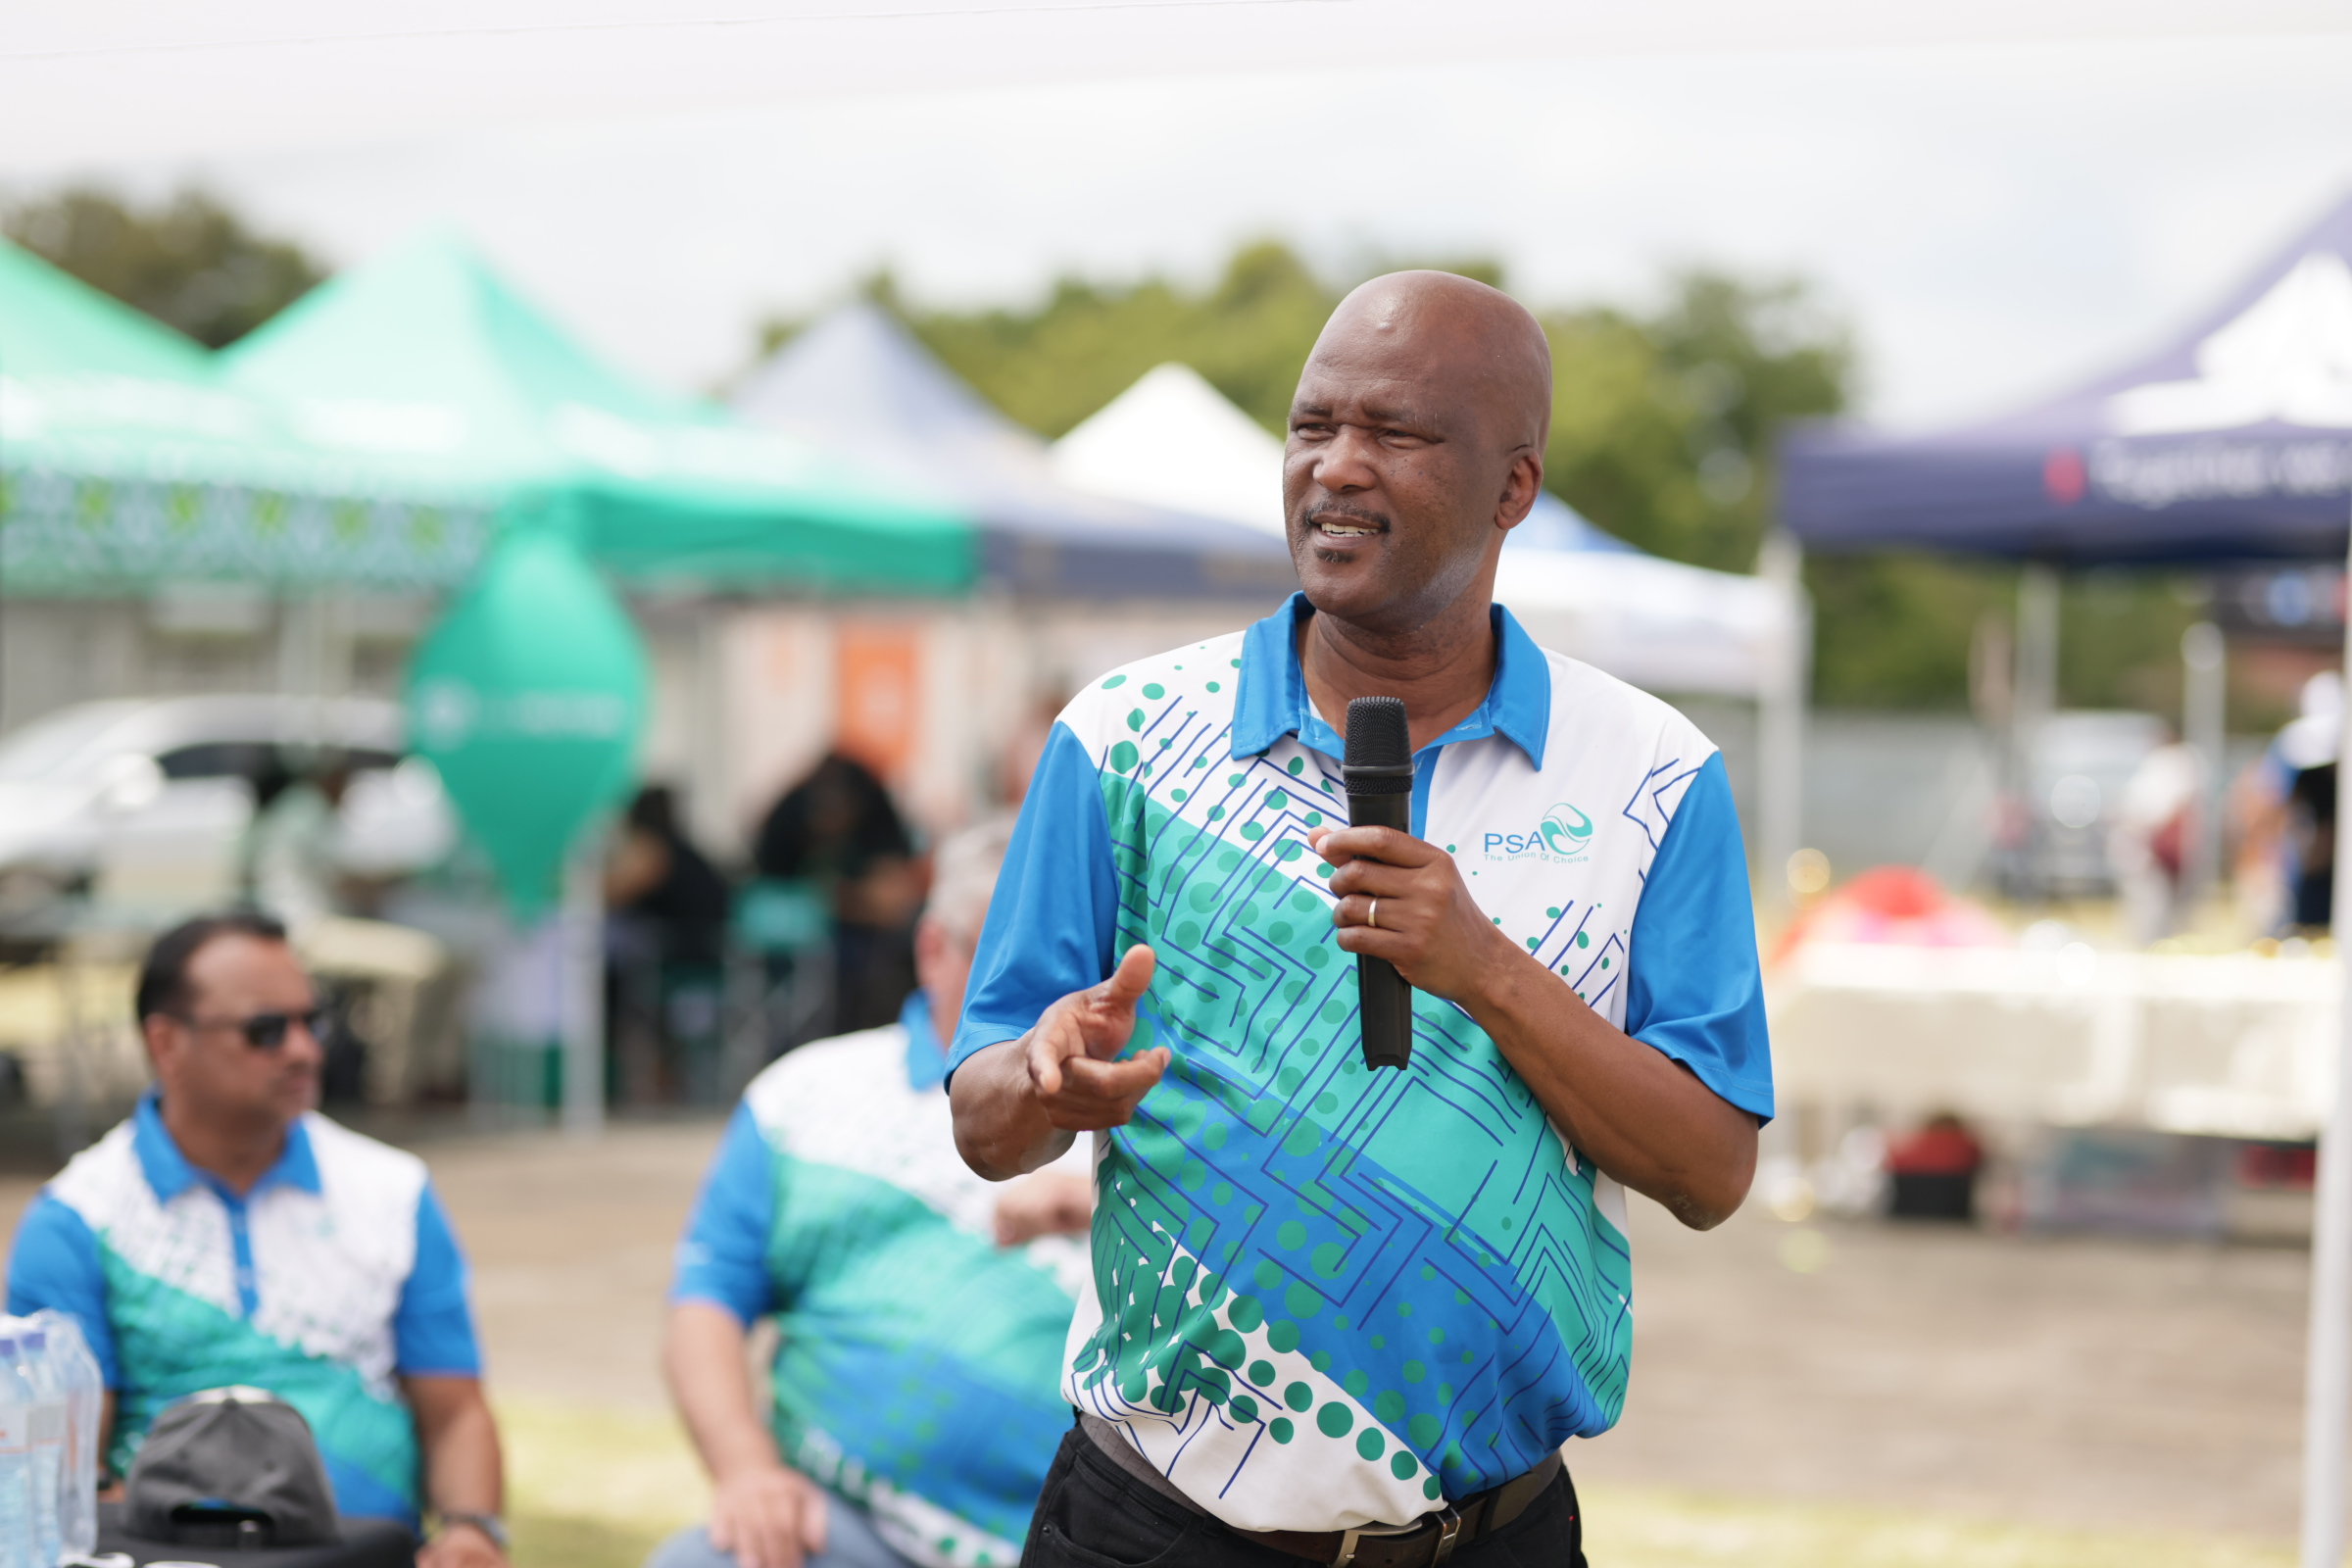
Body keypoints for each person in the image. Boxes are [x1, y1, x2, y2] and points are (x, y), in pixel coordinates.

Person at [948, 271, 1771, 1566]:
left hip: (1490, 1535)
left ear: (1512, 488)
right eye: (1312, 425)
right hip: (1157, 1530)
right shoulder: (1122, 738)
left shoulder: (1652, 775)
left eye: (1394, 432)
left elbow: (1711, 1173)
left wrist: (1484, 969)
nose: (1335, 466)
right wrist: (1044, 1080)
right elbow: (984, 1116)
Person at [651, 819, 1094, 1568]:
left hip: (1072, 1542)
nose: (1045, 996)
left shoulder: (1146, 1118)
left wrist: (1091, 1205)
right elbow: (705, 1302)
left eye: (1069, 964)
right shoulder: (807, 1097)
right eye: (1004, 957)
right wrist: (747, 1471)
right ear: (933, 949)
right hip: (843, 1527)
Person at [5, 911, 509, 1568]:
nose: (303, 1050)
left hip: (371, 1555)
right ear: (166, 1043)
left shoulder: (391, 1192)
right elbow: (67, 1468)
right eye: (265, 1030)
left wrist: (471, 1530)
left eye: (313, 1021)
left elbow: (456, 1411)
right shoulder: (79, 1217)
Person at [754, 753, 926, 1033]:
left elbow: (896, 899)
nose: (829, 817)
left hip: (857, 946)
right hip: (795, 947)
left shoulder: (876, 818)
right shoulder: (786, 819)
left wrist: (847, 899)